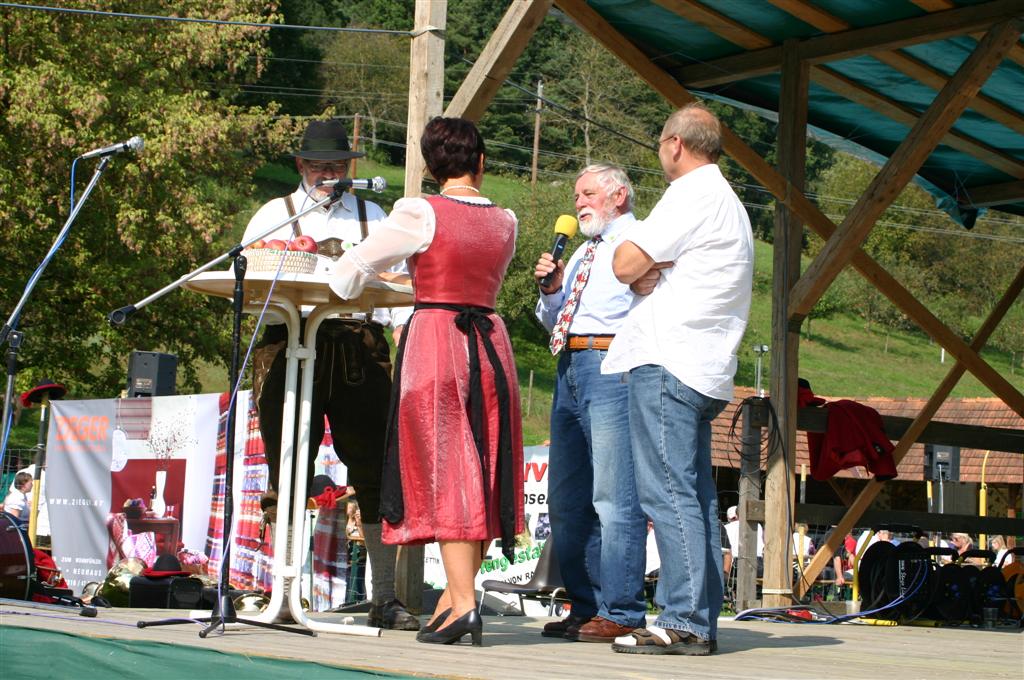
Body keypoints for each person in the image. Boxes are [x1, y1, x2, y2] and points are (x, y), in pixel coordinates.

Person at [330, 116, 525, 647]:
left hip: (438, 340)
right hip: (490, 339)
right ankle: (453, 599)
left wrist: (392, 278)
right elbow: (467, 271)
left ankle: (462, 603)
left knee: (447, 466)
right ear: (480, 163)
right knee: (484, 464)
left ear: (431, 167)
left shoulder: (420, 211)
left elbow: (345, 276)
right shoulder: (505, 220)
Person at [241, 118, 417, 630]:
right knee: (287, 468)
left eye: (337, 166)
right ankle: (282, 595)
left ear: (349, 168)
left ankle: (385, 597)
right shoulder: (275, 215)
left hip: (360, 346)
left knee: (374, 474)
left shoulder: (374, 214)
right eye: (319, 165)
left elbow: (401, 283)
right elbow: (249, 280)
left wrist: (403, 334)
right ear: (300, 165)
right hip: (289, 342)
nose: (329, 173)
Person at [603, 103, 754, 656]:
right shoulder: (729, 201)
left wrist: (647, 265)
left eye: (661, 144)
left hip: (670, 357)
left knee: (668, 492)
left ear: (674, 144)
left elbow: (623, 264)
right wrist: (654, 267)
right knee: (691, 495)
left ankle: (686, 619)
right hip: (703, 364)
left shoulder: (691, 194)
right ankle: (698, 616)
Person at [532, 164, 648, 643]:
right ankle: (586, 606)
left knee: (614, 496)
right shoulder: (581, 250)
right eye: (576, 194)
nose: (579, 202)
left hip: (611, 363)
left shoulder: (639, 240)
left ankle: (621, 610)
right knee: (567, 499)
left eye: (588, 194)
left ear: (618, 194)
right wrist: (552, 289)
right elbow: (553, 320)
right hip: (568, 365)